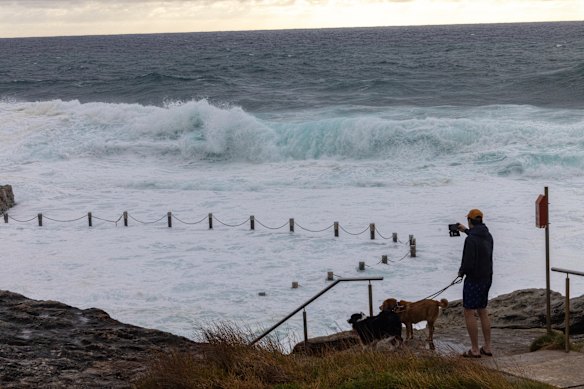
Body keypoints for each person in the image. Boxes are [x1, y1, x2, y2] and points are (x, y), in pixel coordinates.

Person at [457, 208, 494, 358]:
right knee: (482, 310)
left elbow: (468, 262)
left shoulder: (470, 239)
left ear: (470, 220)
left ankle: (474, 349)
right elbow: (477, 238)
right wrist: (465, 230)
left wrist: (461, 272)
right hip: (487, 277)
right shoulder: (488, 235)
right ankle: (488, 347)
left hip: (473, 279)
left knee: (469, 311)